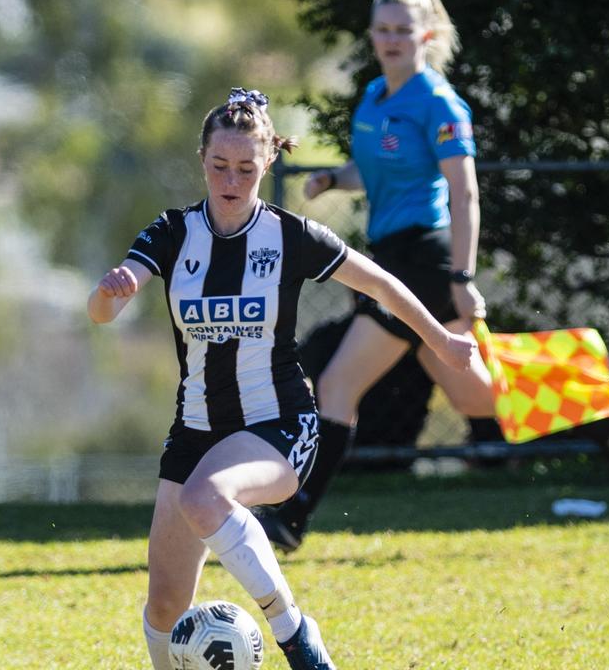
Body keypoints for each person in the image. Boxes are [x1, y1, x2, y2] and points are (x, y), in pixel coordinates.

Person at [89, 87, 476, 670]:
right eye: (219, 166)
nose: (231, 179)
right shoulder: (172, 233)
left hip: (277, 424)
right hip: (193, 431)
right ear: (202, 160)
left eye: (246, 168)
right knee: (166, 607)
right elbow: (100, 312)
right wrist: (108, 292)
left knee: (206, 496)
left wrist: (441, 340)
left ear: (268, 163)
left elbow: (381, 284)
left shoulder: (289, 236)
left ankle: (296, 636)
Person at [258, 0, 609, 553]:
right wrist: (337, 177)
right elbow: (377, 171)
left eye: (402, 31)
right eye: (382, 29)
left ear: (426, 34)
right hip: (390, 256)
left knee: (337, 383)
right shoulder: (373, 97)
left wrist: (461, 278)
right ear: (372, 34)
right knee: (473, 397)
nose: (391, 40)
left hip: (425, 260)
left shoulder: (438, 101)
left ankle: (290, 519)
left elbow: (464, 194)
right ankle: (598, 408)